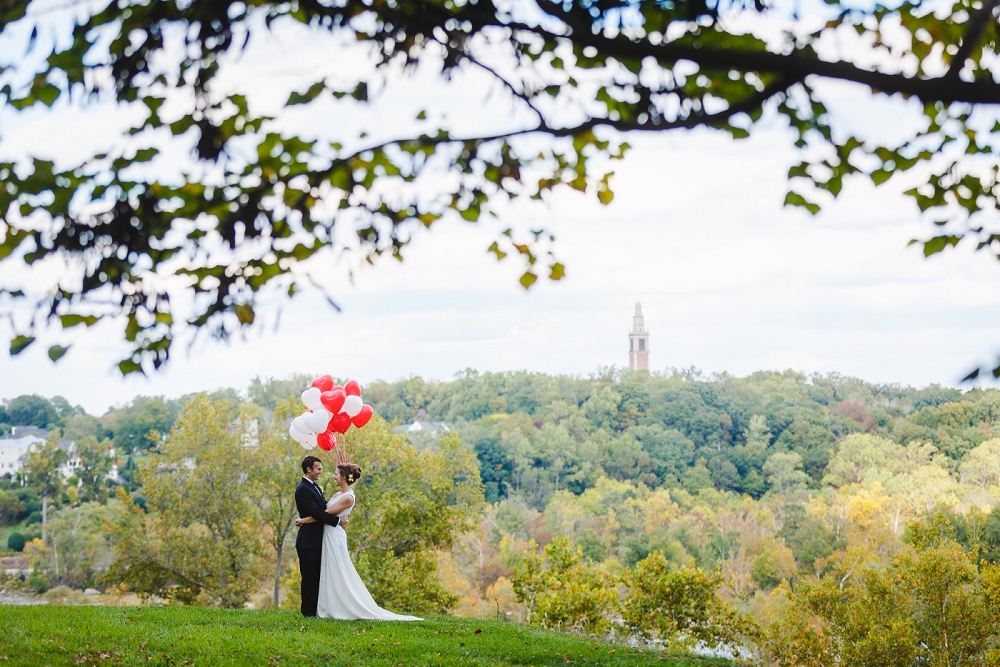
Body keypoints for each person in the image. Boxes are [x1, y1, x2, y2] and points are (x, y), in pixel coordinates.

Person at [295, 462, 422, 621]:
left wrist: (305, 520)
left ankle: (341, 606)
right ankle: (325, 606)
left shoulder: (348, 497)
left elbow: (324, 513)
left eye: (336, 474)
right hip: (326, 535)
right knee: (328, 572)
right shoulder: (337, 494)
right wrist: (338, 519)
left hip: (334, 536)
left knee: (338, 571)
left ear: (343, 477)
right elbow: (325, 513)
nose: (333, 476)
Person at [294, 456, 349, 617]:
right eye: (318, 469)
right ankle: (308, 613)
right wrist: (338, 521)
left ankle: (317, 610)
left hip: (318, 540)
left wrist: (341, 511)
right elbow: (318, 513)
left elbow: (324, 507)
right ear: (308, 469)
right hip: (308, 541)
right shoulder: (303, 489)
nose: (321, 471)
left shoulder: (314, 486)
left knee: (318, 577)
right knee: (310, 578)